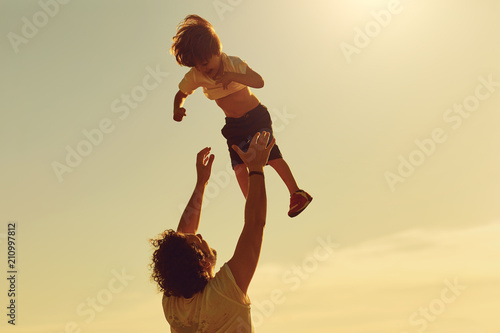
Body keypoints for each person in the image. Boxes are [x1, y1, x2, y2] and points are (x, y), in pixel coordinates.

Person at [170, 14, 312, 218]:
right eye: (197, 65)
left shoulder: (233, 64)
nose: (203, 69)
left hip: (255, 117)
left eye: (205, 62)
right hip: (233, 126)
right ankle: (251, 204)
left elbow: (259, 81)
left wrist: (233, 76)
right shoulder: (196, 75)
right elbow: (181, 94)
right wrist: (177, 108)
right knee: (238, 167)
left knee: (270, 156)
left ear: (217, 52)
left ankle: (297, 193)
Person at [151, 132, 276, 332]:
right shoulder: (225, 292)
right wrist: (256, 168)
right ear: (203, 261)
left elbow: (181, 241)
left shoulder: (173, 305)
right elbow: (254, 224)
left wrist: (201, 183)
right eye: (197, 241)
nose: (199, 235)